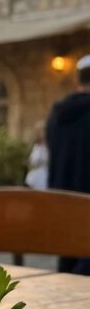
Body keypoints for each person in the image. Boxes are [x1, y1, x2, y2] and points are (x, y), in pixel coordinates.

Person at [46, 54, 90, 275]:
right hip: (87, 205)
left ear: (77, 80)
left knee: (66, 270)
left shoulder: (56, 114)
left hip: (62, 203)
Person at [25, 124, 48, 190]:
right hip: (37, 173)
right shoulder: (36, 147)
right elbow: (32, 160)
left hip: (45, 173)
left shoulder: (50, 146)